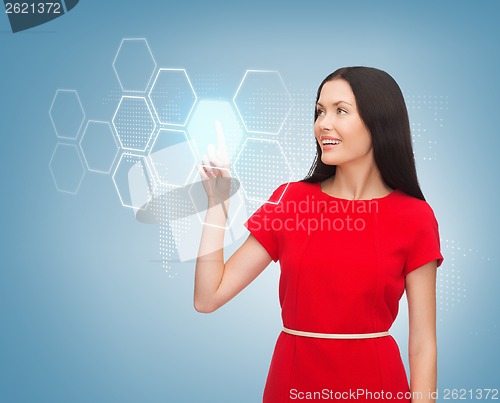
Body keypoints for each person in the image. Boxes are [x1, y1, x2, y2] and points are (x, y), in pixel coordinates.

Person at [193, 66, 444, 403]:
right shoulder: (290, 199)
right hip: (292, 384)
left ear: (379, 121)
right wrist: (216, 204)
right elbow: (208, 297)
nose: (323, 123)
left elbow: (423, 345)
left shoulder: (415, 216)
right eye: (319, 111)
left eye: (341, 111)